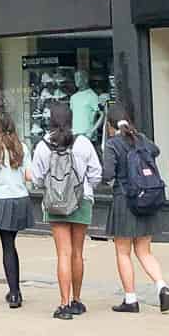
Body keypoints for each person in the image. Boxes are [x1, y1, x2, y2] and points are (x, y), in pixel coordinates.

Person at [27, 101, 102, 320]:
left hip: (55, 203)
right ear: (71, 119)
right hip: (81, 200)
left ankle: (64, 303)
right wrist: (86, 188)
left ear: (50, 120)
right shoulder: (83, 143)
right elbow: (96, 173)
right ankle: (77, 300)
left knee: (63, 253)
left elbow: (37, 179)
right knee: (78, 253)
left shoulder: (42, 146)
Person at [101, 103, 169, 313]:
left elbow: (107, 174)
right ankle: (162, 285)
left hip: (124, 200)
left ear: (110, 125)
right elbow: (155, 151)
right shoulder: (140, 138)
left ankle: (131, 299)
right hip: (146, 199)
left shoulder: (113, 144)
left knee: (123, 252)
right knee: (144, 251)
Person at [0, 105, 33, 309]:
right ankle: (16, 291)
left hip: (1, 200)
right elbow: (29, 176)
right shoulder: (23, 148)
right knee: (13, 244)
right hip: (20, 199)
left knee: (7, 246)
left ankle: (14, 293)